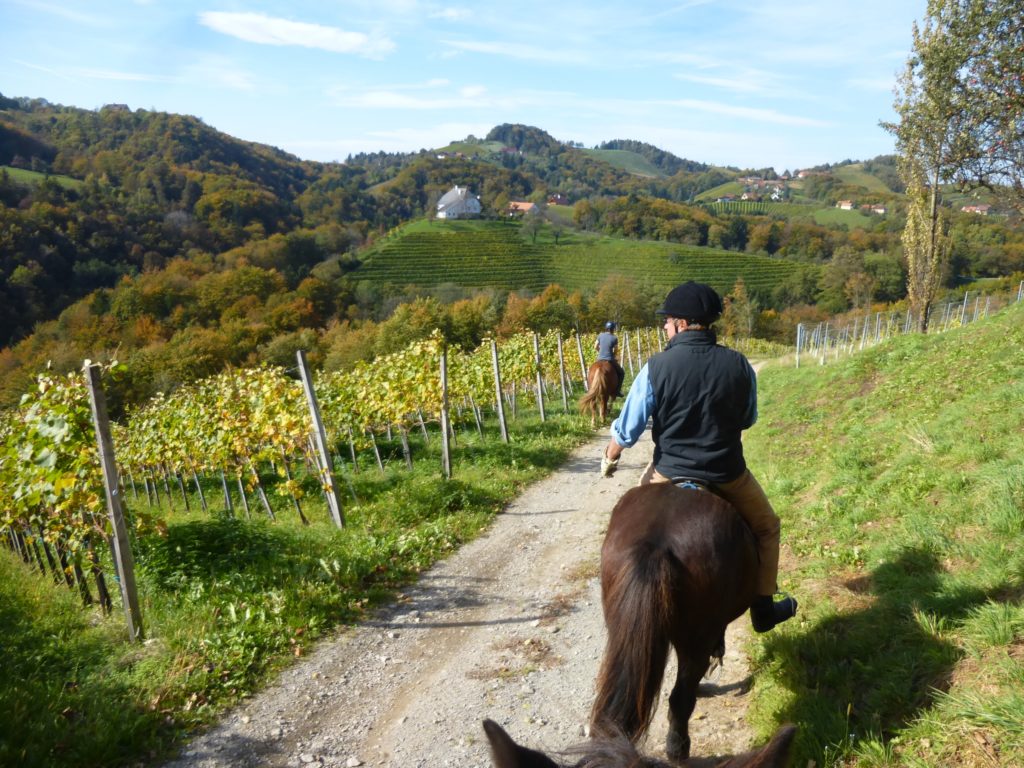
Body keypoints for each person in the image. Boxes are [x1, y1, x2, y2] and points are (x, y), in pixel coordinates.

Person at [599, 281, 797, 633]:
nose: (664, 327)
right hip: (726, 472)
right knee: (767, 527)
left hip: (669, 471)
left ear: (681, 323)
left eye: (666, 321)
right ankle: (764, 608)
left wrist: (611, 456)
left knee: (631, 519)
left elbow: (628, 429)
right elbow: (748, 418)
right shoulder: (739, 365)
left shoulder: (655, 367)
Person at [595, 321, 626, 398]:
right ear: (613, 329)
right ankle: (617, 391)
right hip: (610, 359)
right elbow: (615, 350)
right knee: (622, 373)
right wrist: (613, 355)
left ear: (606, 328)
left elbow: (595, 346)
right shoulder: (614, 338)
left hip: (599, 359)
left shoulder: (600, 335)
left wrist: (600, 351)